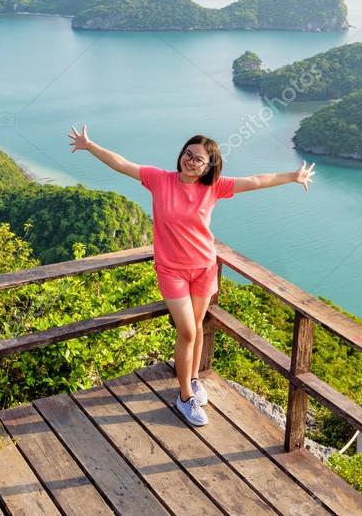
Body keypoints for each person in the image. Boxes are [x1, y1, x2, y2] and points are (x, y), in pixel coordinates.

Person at [68, 125, 315, 426]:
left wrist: (293, 176)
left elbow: (256, 180)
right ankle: (184, 397)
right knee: (186, 331)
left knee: (197, 327)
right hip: (171, 270)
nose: (191, 161)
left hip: (203, 267)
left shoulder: (213, 187)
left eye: (199, 159)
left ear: (210, 165)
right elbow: (122, 165)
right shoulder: (160, 179)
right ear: (181, 154)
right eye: (188, 154)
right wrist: (90, 145)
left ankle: (193, 378)